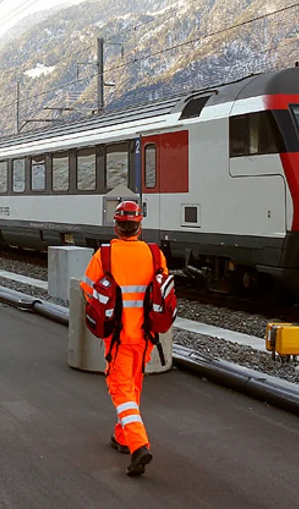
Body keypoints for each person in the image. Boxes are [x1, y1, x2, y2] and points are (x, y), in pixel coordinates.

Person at [80, 200, 169, 477]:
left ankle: (138, 444)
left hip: (118, 339)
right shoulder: (155, 254)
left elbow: (89, 293)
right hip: (145, 338)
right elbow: (162, 292)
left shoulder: (104, 255)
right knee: (133, 387)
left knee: (120, 390)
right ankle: (121, 436)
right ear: (139, 227)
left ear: (117, 227)